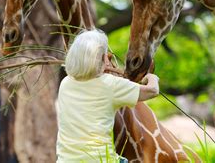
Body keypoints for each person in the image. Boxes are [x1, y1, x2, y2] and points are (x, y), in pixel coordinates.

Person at [56, 29, 160, 163]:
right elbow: (152, 91)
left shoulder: (65, 83)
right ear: (101, 58)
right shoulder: (110, 84)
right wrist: (152, 77)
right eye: (105, 55)